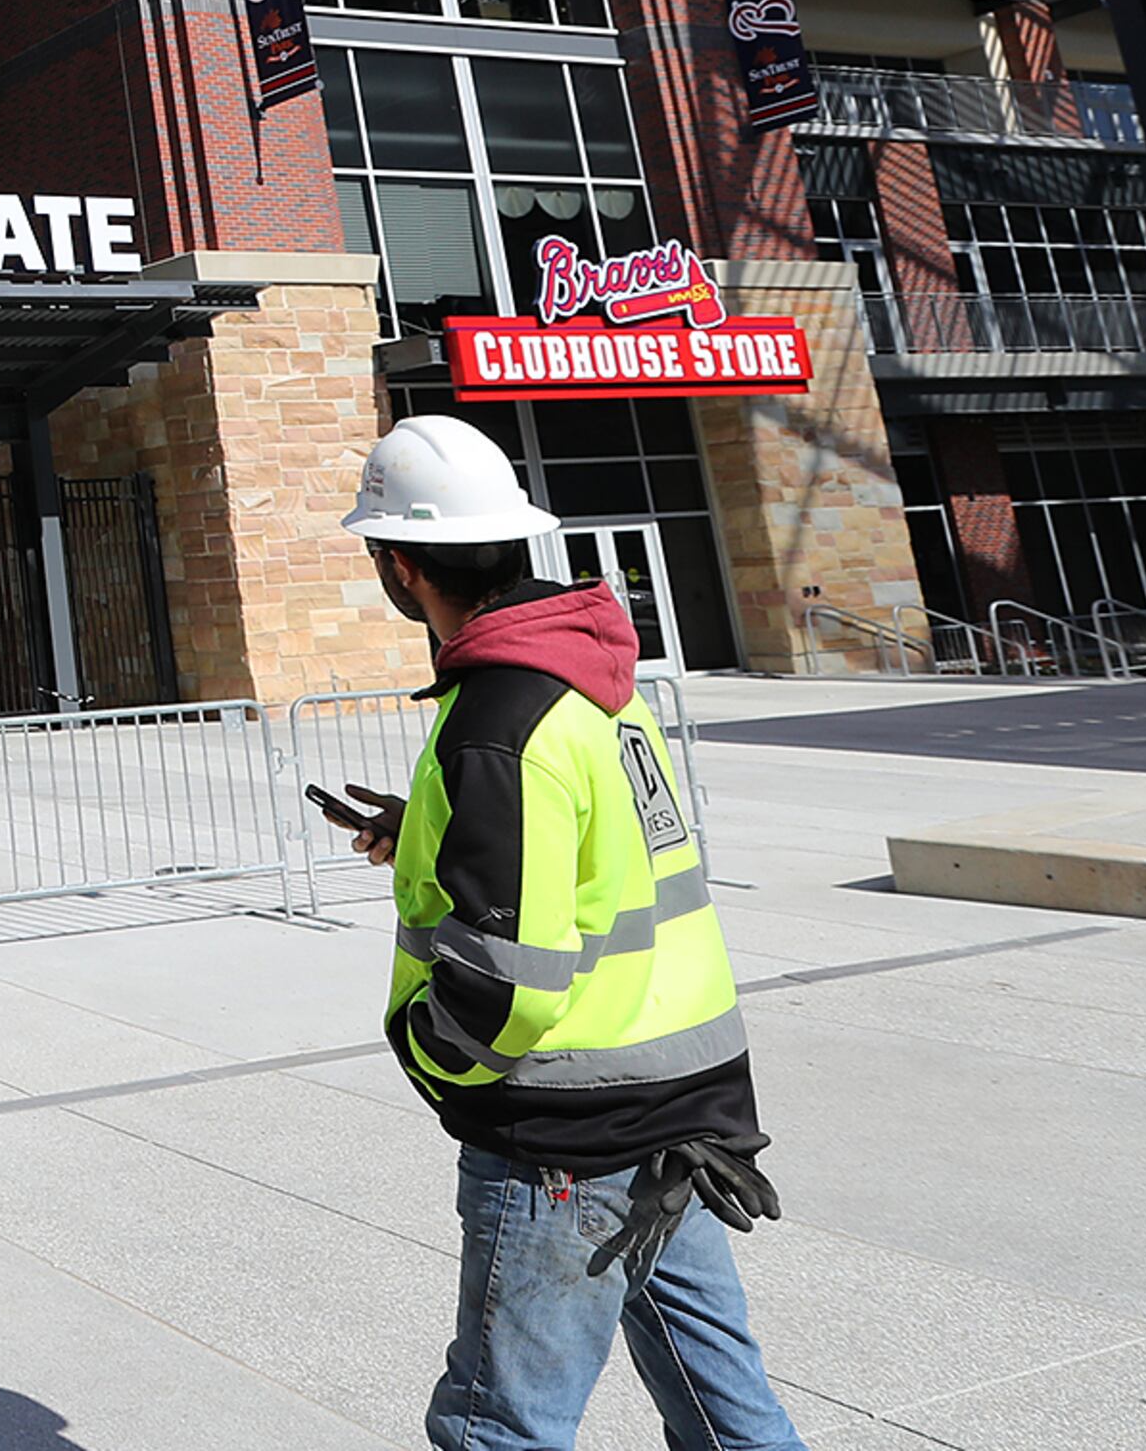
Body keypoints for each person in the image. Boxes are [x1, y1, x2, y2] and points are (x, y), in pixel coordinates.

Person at [326, 414, 806, 1451]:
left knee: (503, 1427)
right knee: (731, 1417)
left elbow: (511, 985)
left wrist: (425, 1051)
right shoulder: (596, 681)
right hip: (682, 1107)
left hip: (570, 1138)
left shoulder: (496, 721)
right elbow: (602, 855)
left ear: (399, 566)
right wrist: (429, 837)